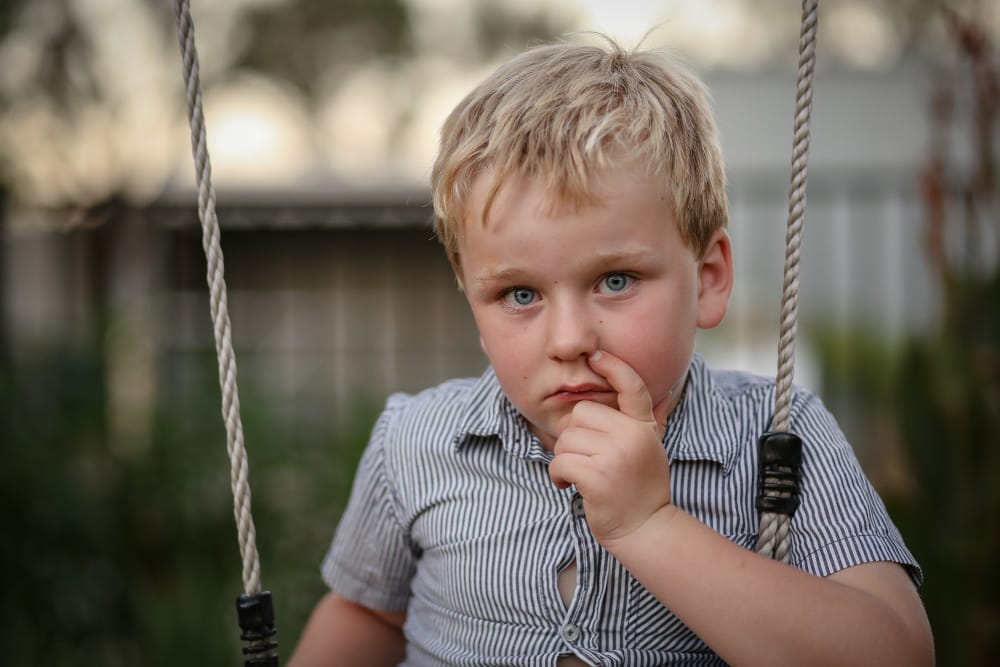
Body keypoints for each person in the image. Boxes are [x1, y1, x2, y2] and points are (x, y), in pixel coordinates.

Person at [289, 36, 933, 666]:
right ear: (472, 303)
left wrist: (649, 527)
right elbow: (367, 613)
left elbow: (895, 651)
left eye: (615, 281)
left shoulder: (775, 437)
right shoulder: (416, 441)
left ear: (708, 279)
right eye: (519, 294)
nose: (570, 339)